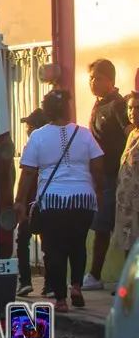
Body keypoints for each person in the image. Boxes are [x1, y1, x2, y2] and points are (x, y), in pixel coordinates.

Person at [15, 88, 105, 312]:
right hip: (83, 200)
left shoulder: (38, 136)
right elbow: (98, 166)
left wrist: (19, 202)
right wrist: (98, 192)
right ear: (67, 108)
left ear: (46, 111)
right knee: (78, 245)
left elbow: (27, 173)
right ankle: (76, 286)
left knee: (55, 249)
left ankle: (61, 300)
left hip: (53, 201)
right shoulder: (84, 134)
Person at [85, 59, 131, 291]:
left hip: (117, 177)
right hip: (99, 178)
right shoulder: (98, 105)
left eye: (97, 78)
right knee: (102, 227)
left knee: (116, 228)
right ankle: (96, 276)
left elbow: (131, 133)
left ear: (109, 80)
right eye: (90, 78)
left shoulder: (118, 105)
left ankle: (98, 276)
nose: (91, 82)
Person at [17, 107, 51, 297]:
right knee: (49, 244)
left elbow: (26, 175)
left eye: (29, 126)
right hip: (48, 202)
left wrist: (19, 201)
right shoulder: (53, 147)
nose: (27, 130)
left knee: (23, 241)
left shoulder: (33, 145)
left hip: (32, 202)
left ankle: (25, 281)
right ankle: (50, 284)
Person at [111, 93, 139, 265]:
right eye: (130, 107)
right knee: (128, 246)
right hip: (126, 205)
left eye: (137, 108)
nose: (132, 112)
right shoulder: (132, 134)